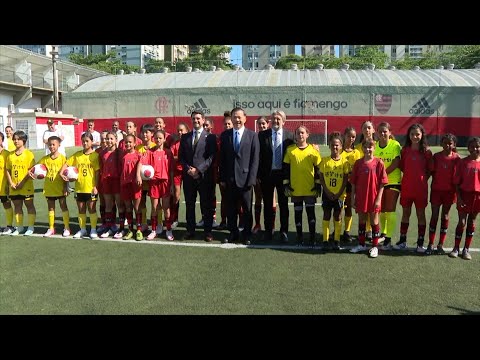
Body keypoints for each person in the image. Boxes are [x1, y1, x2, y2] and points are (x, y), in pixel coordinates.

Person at [219, 107, 259, 245]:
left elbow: (255, 159)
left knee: (247, 209)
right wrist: (222, 178)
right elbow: (222, 159)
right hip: (230, 180)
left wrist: (252, 179)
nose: (237, 119)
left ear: (245, 118)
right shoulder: (225, 135)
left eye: (239, 117)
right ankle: (233, 233)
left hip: (246, 179)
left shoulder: (253, 136)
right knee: (231, 209)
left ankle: (247, 234)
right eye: (234, 117)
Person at [393, 123, 432, 252]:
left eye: (417, 134)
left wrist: (421, 180)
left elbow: (430, 170)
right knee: (405, 214)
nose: (415, 136)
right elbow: (402, 166)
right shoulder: (404, 150)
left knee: (421, 214)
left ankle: (420, 243)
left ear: (422, 135)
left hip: (420, 189)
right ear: (409, 136)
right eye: (412, 134)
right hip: (407, 188)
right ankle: (403, 241)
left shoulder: (426, 152)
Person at [179, 110, 217, 242]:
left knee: (206, 205)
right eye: (193, 119)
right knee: (189, 205)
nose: (196, 121)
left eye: (198, 119)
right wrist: (188, 169)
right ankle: (190, 230)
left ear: (203, 120)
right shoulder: (185, 137)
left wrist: (199, 170)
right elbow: (181, 157)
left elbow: (212, 157)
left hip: (204, 177)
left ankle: (208, 232)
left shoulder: (211, 137)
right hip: (189, 177)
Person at [258, 111, 294, 243]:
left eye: (278, 119)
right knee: (267, 204)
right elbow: (258, 157)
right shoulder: (262, 135)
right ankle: (268, 231)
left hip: (283, 175)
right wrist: (258, 175)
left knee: (284, 205)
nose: (275, 121)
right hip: (267, 175)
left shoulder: (290, 136)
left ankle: (284, 231)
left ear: (284, 121)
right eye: (273, 119)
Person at [283, 125, 322, 246]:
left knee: (311, 214)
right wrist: (286, 184)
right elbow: (286, 168)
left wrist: (317, 185)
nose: (300, 135)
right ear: (295, 135)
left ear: (307, 135)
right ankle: (299, 237)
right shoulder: (290, 150)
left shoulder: (313, 150)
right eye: (298, 133)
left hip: (309, 188)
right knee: (298, 214)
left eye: (302, 133)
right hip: (296, 189)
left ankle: (312, 238)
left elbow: (318, 168)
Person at [349, 138, 388, 258]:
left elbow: (382, 183)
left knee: (374, 221)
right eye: (365, 147)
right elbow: (353, 183)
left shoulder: (379, 162)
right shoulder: (358, 163)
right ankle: (361, 244)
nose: (368, 149)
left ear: (374, 148)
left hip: (373, 197)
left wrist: (378, 199)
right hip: (361, 196)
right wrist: (353, 197)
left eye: (370, 147)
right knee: (361, 220)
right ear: (362, 148)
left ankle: (375, 247)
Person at [61, 132, 100, 239]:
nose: (85, 143)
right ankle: (82, 229)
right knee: (81, 210)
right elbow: (66, 164)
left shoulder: (95, 156)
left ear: (92, 142)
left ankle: (93, 229)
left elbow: (97, 173)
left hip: (90, 188)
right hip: (79, 188)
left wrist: (96, 186)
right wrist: (62, 173)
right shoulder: (77, 155)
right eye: (83, 141)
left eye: (87, 141)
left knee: (92, 209)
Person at [427, 133, 460, 255]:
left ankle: (440, 244)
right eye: (445, 143)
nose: (448, 145)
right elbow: (431, 172)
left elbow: (458, 178)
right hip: (436, 191)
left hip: (449, 192)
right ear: (441, 144)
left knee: (445, 216)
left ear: (454, 145)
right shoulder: (436, 157)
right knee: (434, 216)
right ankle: (430, 243)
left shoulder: (456, 158)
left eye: (450, 143)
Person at [449, 137, 480, 260]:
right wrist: (459, 198)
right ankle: (456, 248)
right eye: (472, 147)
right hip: (464, 195)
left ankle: (466, 249)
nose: (475, 149)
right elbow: (456, 183)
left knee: (472, 221)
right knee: (462, 222)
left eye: (477, 147)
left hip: (477, 197)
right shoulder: (463, 162)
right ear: (468, 148)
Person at [140, 129, 174, 241]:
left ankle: (168, 230)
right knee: (154, 207)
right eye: (156, 138)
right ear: (153, 139)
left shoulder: (168, 152)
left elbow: (171, 171)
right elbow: (143, 165)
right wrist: (144, 153)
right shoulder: (150, 152)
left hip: (165, 182)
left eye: (160, 138)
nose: (158, 140)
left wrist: (172, 185)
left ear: (164, 139)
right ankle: (153, 230)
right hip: (154, 183)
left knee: (166, 207)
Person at [319, 132, 349, 250]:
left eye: (337, 145)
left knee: (338, 217)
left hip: (340, 195)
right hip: (327, 194)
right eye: (332, 145)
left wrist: (339, 193)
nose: (335, 147)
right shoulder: (325, 161)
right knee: (326, 215)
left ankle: (337, 240)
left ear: (341, 146)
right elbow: (321, 177)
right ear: (329, 146)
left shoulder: (344, 162)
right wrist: (326, 191)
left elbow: (345, 180)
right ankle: (325, 240)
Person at [374, 122, 402, 250]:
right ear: (377, 133)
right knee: (382, 210)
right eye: (380, 131)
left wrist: (383, 175)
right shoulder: (375, 146)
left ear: (390, 132)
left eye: (385, 131)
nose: (383, 133)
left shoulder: (395, 145)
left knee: (390, 210)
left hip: (392, 181)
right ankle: (383, 234)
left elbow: (396, 162)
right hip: (379, 183)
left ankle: (388, 240)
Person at [37, 136, 70, 237]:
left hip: (60, 187)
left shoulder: (63, 158)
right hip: (49, 187)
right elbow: (37, 169)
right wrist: (36, 173)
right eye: (49, 144)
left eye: (53, 144)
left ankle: (67, 227)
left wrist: (66, 187)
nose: (51, 146)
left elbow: (66, 174)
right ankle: (51, 228)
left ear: (59, 145)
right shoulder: (45, 159)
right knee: (51, 208)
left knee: (63, 206)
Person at [5, 130, 36, 235]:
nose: (16, 141)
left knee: (29, 205)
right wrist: (11, 183)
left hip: (26, 186)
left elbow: (31, 170)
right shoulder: (10, 155)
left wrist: (22, 182)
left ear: (24, 140)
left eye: (18, 139)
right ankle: (20, 227)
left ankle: (31, 227)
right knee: (17, 206)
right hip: (14, 187)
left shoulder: (29, 154)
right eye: (14, 139)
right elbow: (7, 170)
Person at [98, 131, 125, 239]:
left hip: (117, 182)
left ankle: (122, 228)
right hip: (106, 182)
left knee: (120, 205)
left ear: (116, 140)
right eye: (107, 139)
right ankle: (109, 226)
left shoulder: (120, 153)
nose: (109, 141)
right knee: (108, 205)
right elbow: (100, 169)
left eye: (111, 139)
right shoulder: (102, 154)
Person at [196, 117, 220, 228]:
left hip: (212, 170)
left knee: (212, 195)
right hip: (202, 171)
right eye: (204, 125)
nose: (205, 127)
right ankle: (204, 217)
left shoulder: (214, 138)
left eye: (207, 125)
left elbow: (214, 156)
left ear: (211, 127)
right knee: (203, 196)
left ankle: (213, 218)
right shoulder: (199, 138)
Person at [119, 134, 143, 240]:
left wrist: (138, 176)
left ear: (134, 143)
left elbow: (140, 166)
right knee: (128, 207)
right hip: (125, 184)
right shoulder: (122, 155)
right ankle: (130, 230)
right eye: (126, 142)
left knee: (137, 208)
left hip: (135, 185)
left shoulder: (138, 155)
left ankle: (138, 230)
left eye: (130, 142)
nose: (128, 144)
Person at [340, 127, 361, 243]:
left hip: (350, 185)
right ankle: (337, 231)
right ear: (344, 135)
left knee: (348, 208)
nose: (351, 138)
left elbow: (357, 169)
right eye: (349, 136)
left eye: (353, 136)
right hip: (339, 185)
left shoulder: (356, 152)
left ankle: (346, 232)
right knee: (338, 209)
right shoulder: (339, 150)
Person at [169, 122, 189, 228]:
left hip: (187, 172)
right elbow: (172, 157)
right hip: (176, 172)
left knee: (190, 195)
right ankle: (174, 218)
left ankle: (189, 220)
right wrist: (181, 158)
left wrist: (179, 158)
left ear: (187, 131)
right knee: (176, 195)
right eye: (178, 130)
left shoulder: (190, 142)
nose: (180, 132)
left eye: (182, 130)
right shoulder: (174, 143)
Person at [217, 112, 233, 230]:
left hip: (237, 175)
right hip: (225, 174)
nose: (227, 126)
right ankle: (223, 221)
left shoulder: (240, 135)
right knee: (224, 199)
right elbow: (221, 158)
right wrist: (221, 176)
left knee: (237, 201)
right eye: (225, 124)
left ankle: (240, 222)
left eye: (229, 124)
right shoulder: (222, 137)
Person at [0, 132, 14, 234]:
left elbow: (10, 171)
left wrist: (9, 184)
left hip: (3, 186)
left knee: (6, 205)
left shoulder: (7, 154)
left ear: (2, 140)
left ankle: (9, 226)